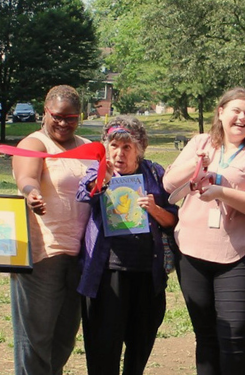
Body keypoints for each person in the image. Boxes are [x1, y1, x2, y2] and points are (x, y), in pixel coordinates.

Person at [162, 87, 245, 375]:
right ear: (221, 113)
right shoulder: (200, 143)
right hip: (191, 251)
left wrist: (221, 191)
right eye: (236, 111)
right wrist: (196, 164)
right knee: (206, 336)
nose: (242, 118)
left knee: (235, 334)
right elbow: (168, 184)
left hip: (242, 253)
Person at [73, 117, 177, 375]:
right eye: (114, 146)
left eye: (127, 147)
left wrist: (154, 209)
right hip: (107, 276)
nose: (119, 153)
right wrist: (102, 179)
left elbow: (172, 220)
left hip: (147, 275)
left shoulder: (155, 174)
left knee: (139, 348)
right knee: (102, 351)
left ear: (139, 148)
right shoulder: (99, 171)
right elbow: (85, 191)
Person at [11, 85, 97, 375]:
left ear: (80, 117)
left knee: (64, 339)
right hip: (44, 254)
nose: (63, 123)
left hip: (81, 256)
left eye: (71, 118)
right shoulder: (35, 144)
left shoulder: (87, 147)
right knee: (36, 340)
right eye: (57, 116)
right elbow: (26, 175)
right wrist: (30, 193)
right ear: (45, 112)